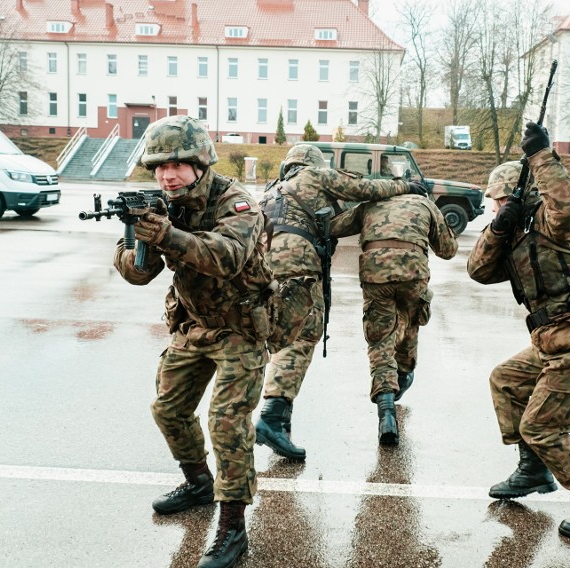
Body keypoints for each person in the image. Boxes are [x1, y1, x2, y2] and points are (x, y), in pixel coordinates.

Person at [113, 115, 274, 568]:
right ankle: (199, 482)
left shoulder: (237, 204)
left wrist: (166, 234)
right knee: (168, 409)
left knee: (226, 422)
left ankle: (232, 527)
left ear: (201, 162)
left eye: (178, 165)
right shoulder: (162, 203)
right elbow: (138, 275)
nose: (167, 175)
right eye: (159, 166)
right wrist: (136, 238)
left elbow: (225, 258)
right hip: (194, 324)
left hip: (240, 329)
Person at [467, 122, 570, 541]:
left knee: (542, 427)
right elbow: (478, 271)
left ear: (521, 196)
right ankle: (533, 470)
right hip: (553, 342)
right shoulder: (514, 233)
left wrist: (541, 155)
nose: (493, 206)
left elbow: (568, 203)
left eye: (500, 200)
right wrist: (499, 229)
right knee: (505, 380)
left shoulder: (554, 223)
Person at [255, 144, 428, 459]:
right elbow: (364, 188)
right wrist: (405, 186)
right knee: (302, 337)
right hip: (299, 266)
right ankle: (270, 418)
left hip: (265, 267)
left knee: (280, 339)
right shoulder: (315, 176)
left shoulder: (271, 192)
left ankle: (282, 416)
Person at [331, 190, 458, 445]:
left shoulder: (371, 202)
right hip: (413, 273)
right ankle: (403, 374)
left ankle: (386, 414)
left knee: (380, 342)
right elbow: (448, 250)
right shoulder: (425, 203)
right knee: (411, 324)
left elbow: (334, 226)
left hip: (375, 273)